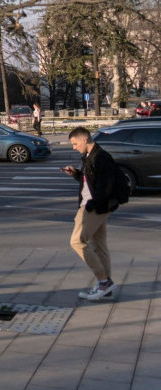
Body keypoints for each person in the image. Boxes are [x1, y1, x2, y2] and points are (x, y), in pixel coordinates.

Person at [62, 127, 123, 301]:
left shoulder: (100, 157)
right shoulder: (91, 156)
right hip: (97, 205)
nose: (73, 147)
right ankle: (106, 288)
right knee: (99, 245)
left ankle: (104, 282)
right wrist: (77, 174)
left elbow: (106, 185)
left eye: (74, 143)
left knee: (77, 241)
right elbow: (92, 181)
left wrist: (92, 205)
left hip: (95, 207)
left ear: (84, 140)